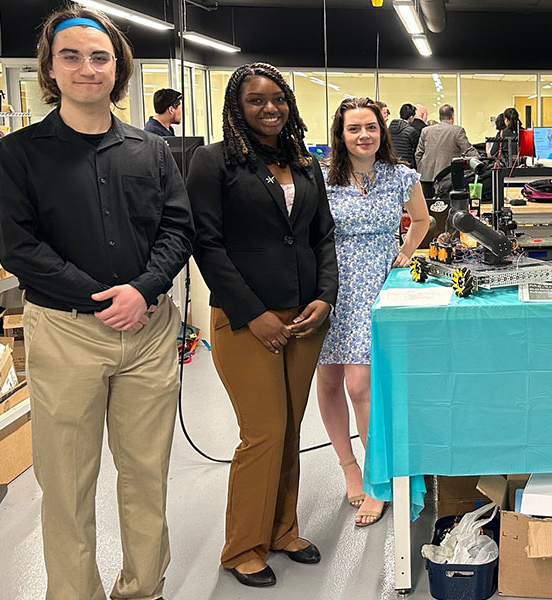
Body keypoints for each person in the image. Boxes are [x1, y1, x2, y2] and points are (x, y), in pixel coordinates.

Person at [0, 7, 193, 599]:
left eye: (99, 57)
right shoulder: (19, 154)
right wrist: (102, 297)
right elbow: (18, 246)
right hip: (66, 332)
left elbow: (179, 228)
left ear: (117, 68)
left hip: (149, 333)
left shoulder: (149, 152)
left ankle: (142, 589)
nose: (86, 68)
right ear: (50, 68)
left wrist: (144, 289)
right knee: (67, 482)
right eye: (70, 56)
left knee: (146, 476)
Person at [185, 62, 338, 588]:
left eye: (278, 98)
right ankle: (242, 546)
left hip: (304, 316)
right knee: (264, 431)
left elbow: (322, 237)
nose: (270, 108)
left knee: (290, 427)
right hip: (245, 318)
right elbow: (206, 244)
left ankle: (282, 528)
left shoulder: (305, 162)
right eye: (256, 100)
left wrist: (324, 296)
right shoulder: (214, 163)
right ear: (236, 107)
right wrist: (253, 314)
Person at [316, 97, 429, 527]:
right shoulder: (323, 178)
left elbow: (421, 221)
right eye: (353, 128)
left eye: (371, 127)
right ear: (340, 135)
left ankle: (377, 479)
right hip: (331, 283)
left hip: (378, 284)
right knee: (328, 379)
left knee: (360, 383)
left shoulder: (400, 176)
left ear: (382, 132)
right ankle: (349, 468)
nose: (364, 135)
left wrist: (403, 254)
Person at [414, 103, 476, 199]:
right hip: (447, 178)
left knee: (427, 207)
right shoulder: (457, 131)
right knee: (446, 208)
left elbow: (418, 154)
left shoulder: (425, 131)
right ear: (452, 116)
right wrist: (479, 162)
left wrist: (422, 169)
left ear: (440, 117)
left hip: (426, 177)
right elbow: (468, 151)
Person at [389, 102, 420, 168]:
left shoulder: (389, 128)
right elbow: (416, 148)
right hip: (406, 163)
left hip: (391, 162)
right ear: (411, 117)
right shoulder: (411, 131)